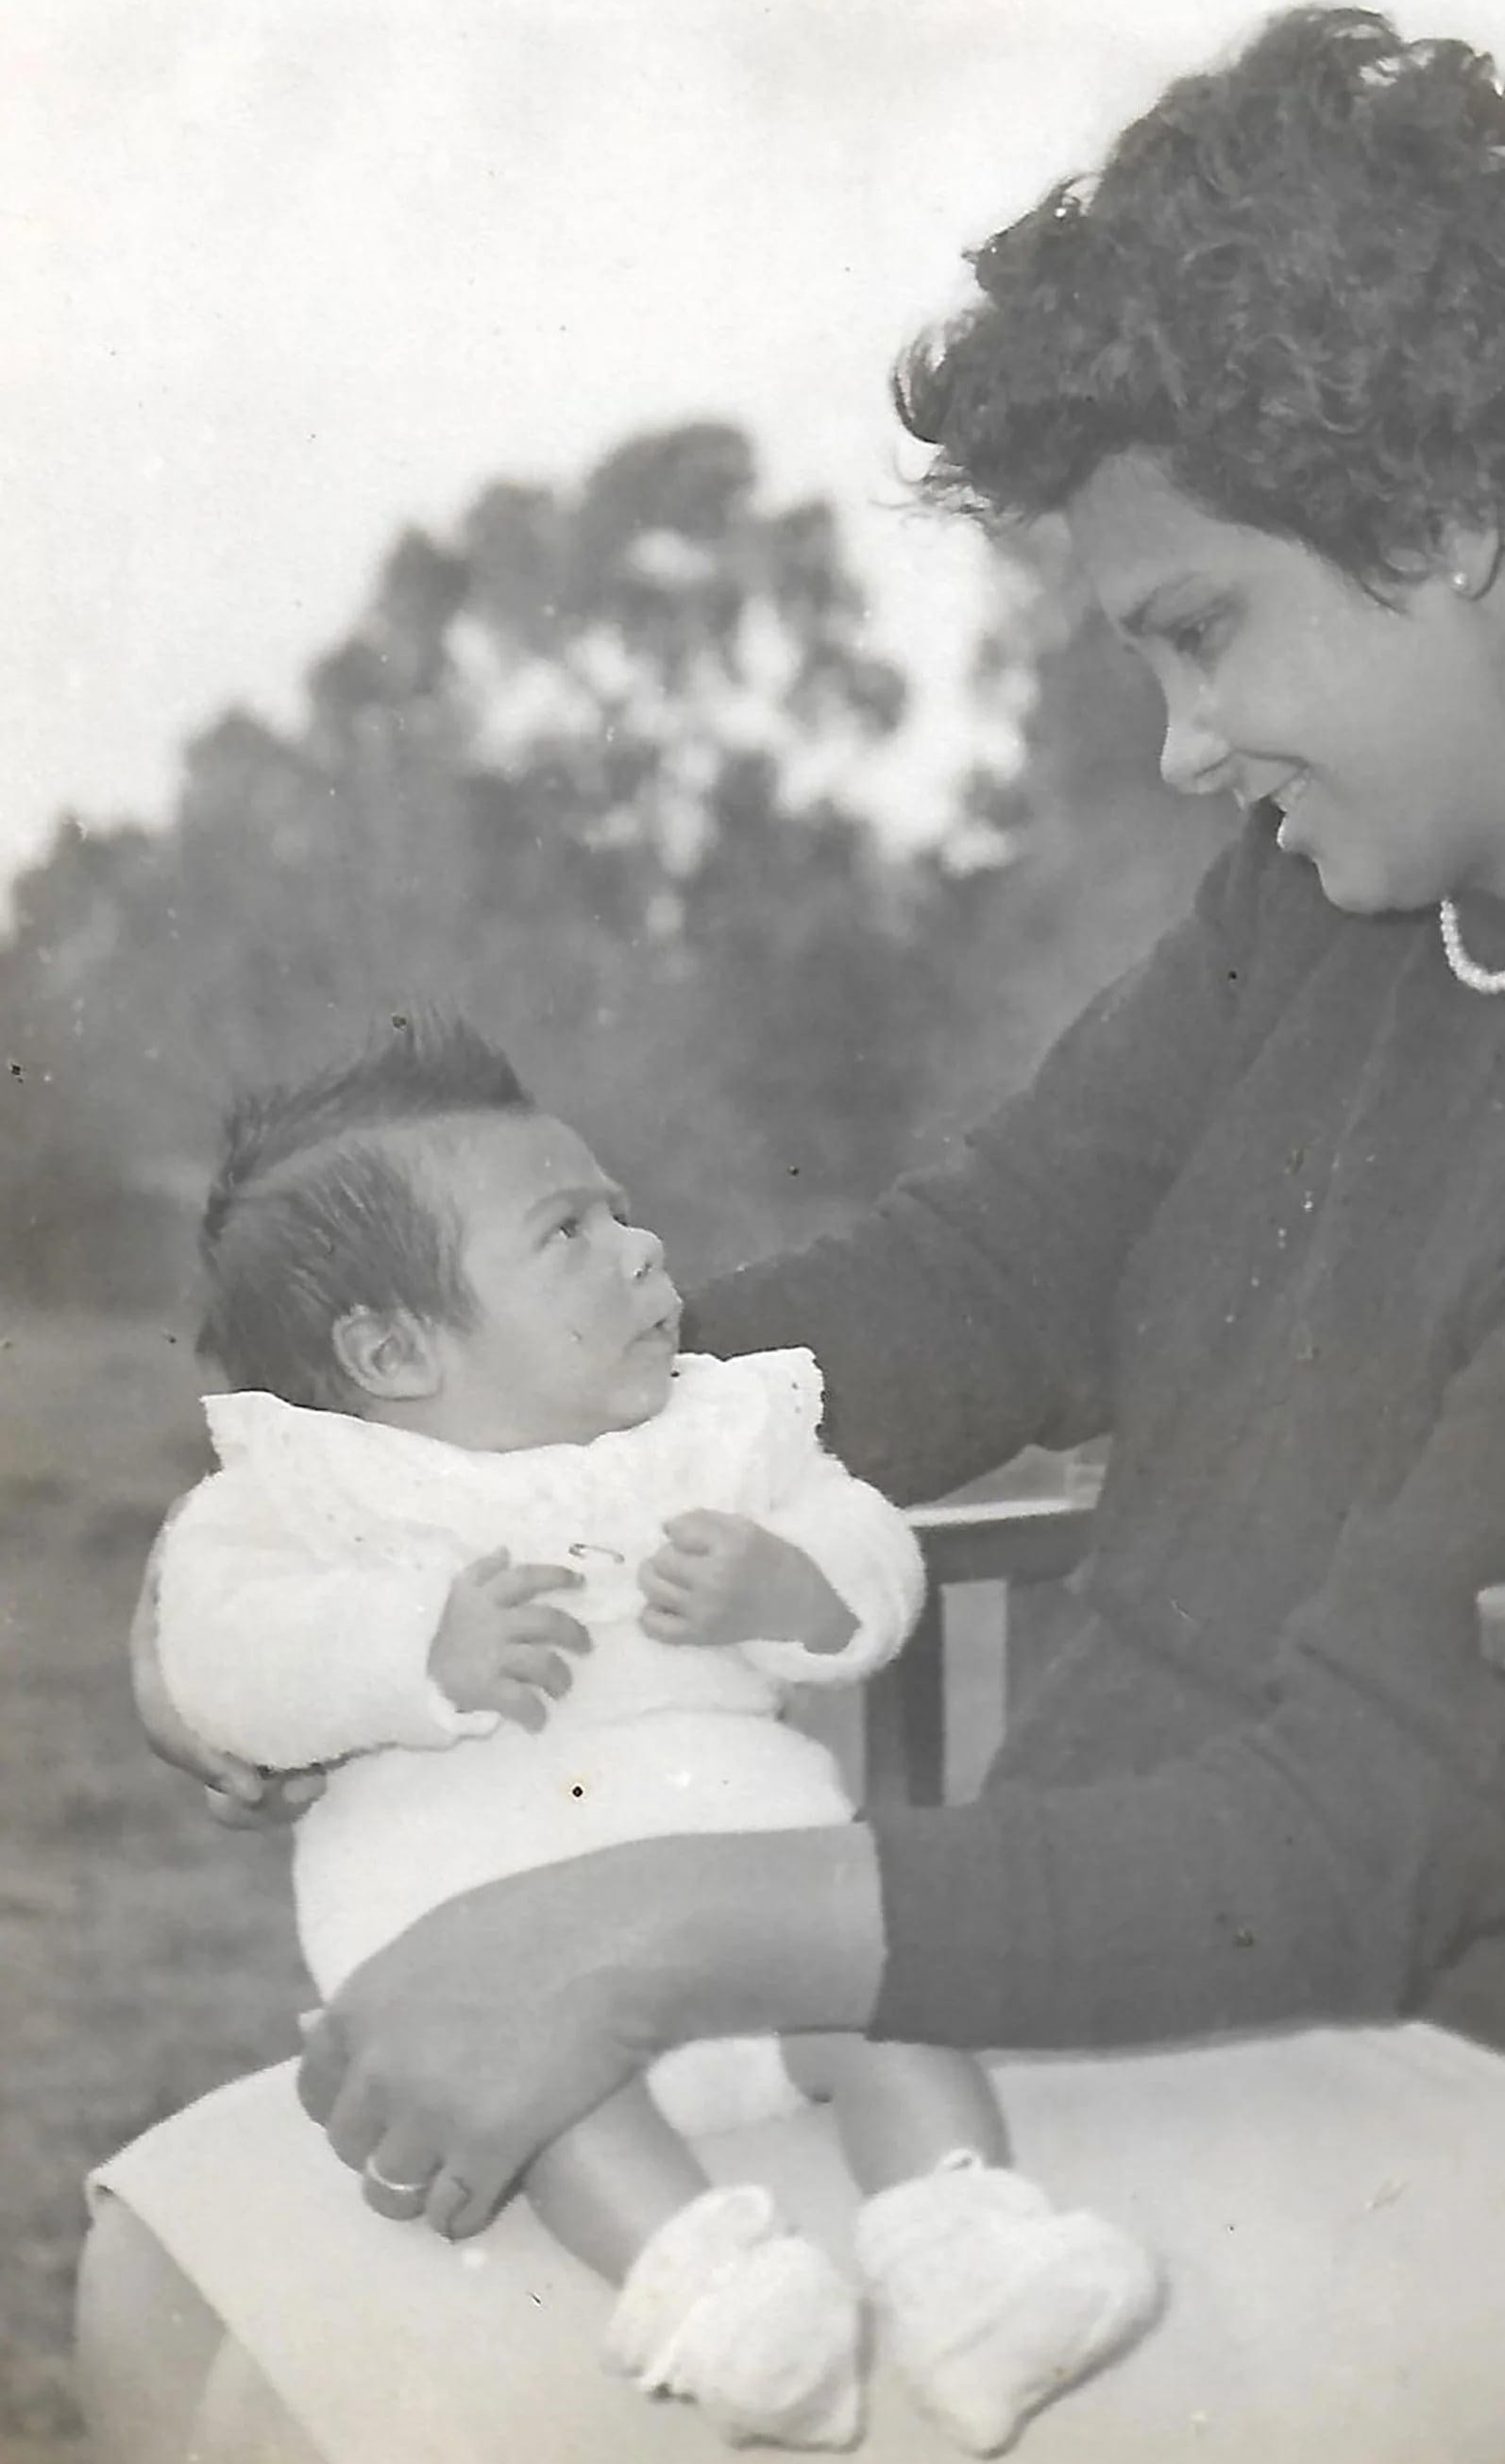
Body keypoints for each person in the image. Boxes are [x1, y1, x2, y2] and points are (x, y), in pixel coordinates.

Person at [81, 1, 1505, 2464]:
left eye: (1195, 633)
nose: (1180, 747)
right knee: (180, 2284)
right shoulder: (1313, 902)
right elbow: (958, 1295)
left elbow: (1366, 1830)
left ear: (1438, 529)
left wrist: (643, 1927)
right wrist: (375, 1526)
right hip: (1086, 2027)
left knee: (340, 2407)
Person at [141, 1016, 1159, 2454]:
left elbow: (863, 1546)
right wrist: (407, 1652)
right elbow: (214, 1648)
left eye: (622, 1211)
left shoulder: (715, 1428)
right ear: (391, 1347)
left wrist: (789, 1584)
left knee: (894, 2001)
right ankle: (715, 2296)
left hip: (767, 1945)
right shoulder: (310, 1500)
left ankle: (970, 2255)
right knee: (559, 2111)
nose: (642, 1248)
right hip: (498, 2005)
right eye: (568, 1231)